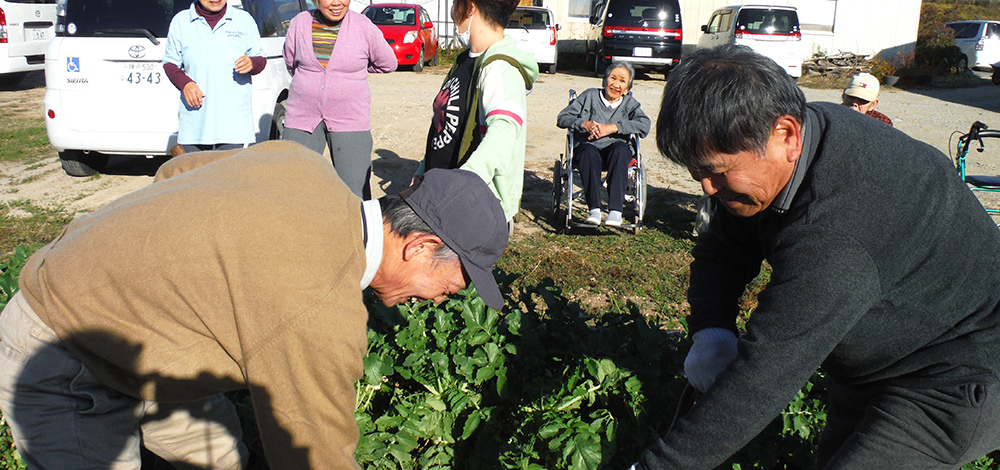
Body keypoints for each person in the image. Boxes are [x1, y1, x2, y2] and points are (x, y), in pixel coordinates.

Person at [0, 140, 509, 469]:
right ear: (419, 247)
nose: (438, 300)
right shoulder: (320, 306)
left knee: (223, 459)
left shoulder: (301, 164)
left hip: (131, 329)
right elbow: (314, 457)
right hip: (61, 344)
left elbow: (179, 170)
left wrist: (171, 276)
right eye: (450, 287)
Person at [633, 44, 1000, 469]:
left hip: (953, 373)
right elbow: (725, 246)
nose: (707, 188)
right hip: (877, 356)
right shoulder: (800, 137)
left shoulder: (837, 232)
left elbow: (764, 375)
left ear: (786, 135)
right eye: (697, 172)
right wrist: (711, 329)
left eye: (717, 170)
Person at [413, 0, 538, 225]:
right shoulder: (464, 61)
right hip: (440, 196)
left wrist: (462, 184)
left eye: (455, 3)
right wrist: (424, 171)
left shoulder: (500, 66)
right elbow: (446, 127)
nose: (452, 10)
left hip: (470, 208)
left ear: (470, 8)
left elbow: (504, 133)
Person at [282, 0, 397, 199]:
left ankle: (355, 221)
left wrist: (352, 73)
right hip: (301, 115)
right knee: (294, 184)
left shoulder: (363, 26)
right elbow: (291, 62)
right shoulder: (299, 23)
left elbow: (388, 63)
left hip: (349, 118)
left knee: (353, 190)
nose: (337, 3)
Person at [162, 0, 266, 154]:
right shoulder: (181, 21)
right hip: (195, 121)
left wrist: (252, 63)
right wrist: (185, 84)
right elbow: (170, 63)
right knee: (196, 170)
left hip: (232, 124)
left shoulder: (244, 20)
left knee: (226, 170)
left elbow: (260, 59)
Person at [556, 61, 650, 226]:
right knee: (588, 152)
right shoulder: (589, 96)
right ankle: (595, 210)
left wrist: (613, 127)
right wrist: (584, 124)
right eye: (613, 78)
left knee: (620, 149)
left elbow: (644, 125)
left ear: (627, 89)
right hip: (588, 148)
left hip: (616, 152)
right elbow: (562, 118)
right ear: (604, 80)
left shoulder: (630, 104)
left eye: (622, 81)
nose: (616, 84)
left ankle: (615, 211)